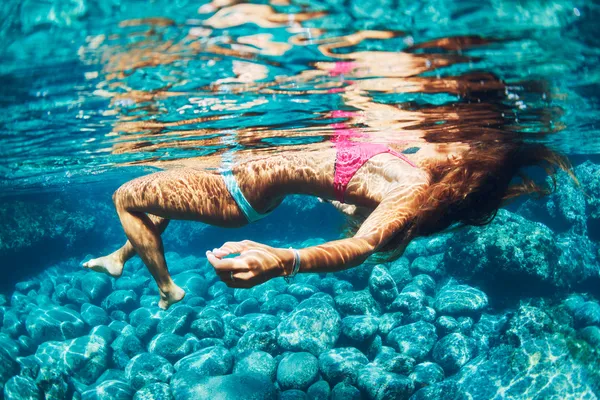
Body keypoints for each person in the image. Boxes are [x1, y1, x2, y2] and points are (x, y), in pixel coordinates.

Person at [83, 124, 572, 309]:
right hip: (238, 173)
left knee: (127, 197)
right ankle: (120, 256)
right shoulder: (405, 164)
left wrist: (285, 261)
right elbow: (342, 194)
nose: (439, 122)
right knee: (157, 193)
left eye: (462, 133)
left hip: (233, 193)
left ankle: (167, 287)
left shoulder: (410, 186)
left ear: (468, 162)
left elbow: (362, 246)